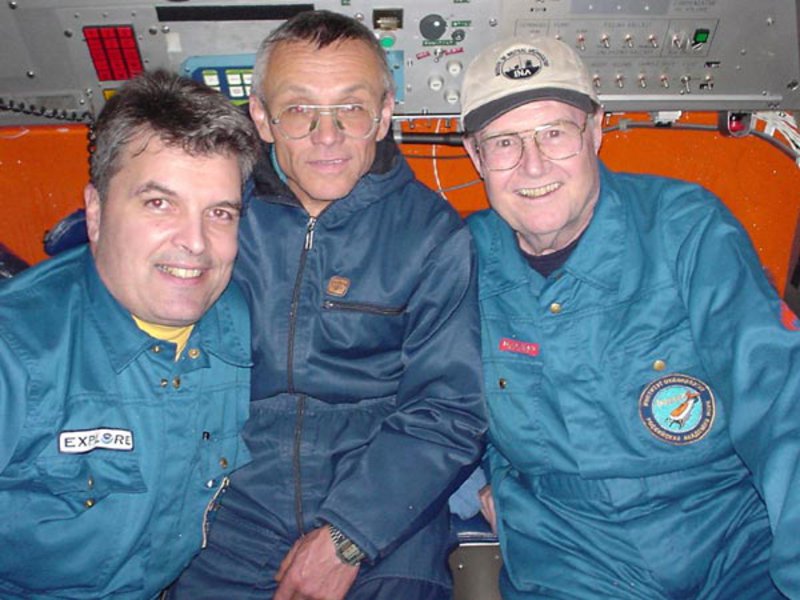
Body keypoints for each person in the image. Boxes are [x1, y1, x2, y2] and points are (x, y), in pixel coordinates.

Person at [460, 35, 800, 599]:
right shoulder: (460, 257)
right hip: (571, 549)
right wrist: (486, 477)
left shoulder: (687, 228)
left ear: (595, 130)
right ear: (476, 156)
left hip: (731, 530)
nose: (533, 163)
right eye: (505, 143)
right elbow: (422, 396)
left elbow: (778, 396)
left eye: (554, 133)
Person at [170, 9, 487, 600]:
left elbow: (449, 412)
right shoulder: (214, 214)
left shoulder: (433, 236)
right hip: (228, 501)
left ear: (384, 114)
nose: (327, 134)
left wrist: (349, 536)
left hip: (387, 510)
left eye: (351, 108)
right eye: (299, 110)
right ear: (262, 118)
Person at [0, 69, 260, 599]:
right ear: (95, 213)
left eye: (219, 213)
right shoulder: (16, 351)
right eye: (159, 203)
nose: (195, 243)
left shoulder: (240, 321)